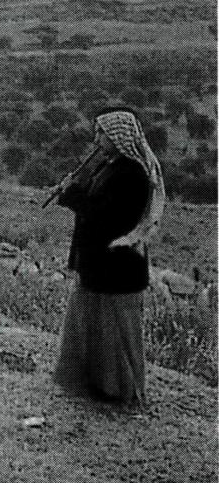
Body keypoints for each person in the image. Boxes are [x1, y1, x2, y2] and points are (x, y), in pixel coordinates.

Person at [50, 108, 165, 407]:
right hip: (99, 261)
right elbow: (93, 203)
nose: (96, 139)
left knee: (117, 327)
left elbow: (108, 217)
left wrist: (72, 194)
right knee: (93, 322)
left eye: (102, 133)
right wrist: (71, 190)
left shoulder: (133, 174)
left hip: (118, 263)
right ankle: (98, 386)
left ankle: (122, 392)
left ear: (118, 138)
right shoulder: (110, 166)